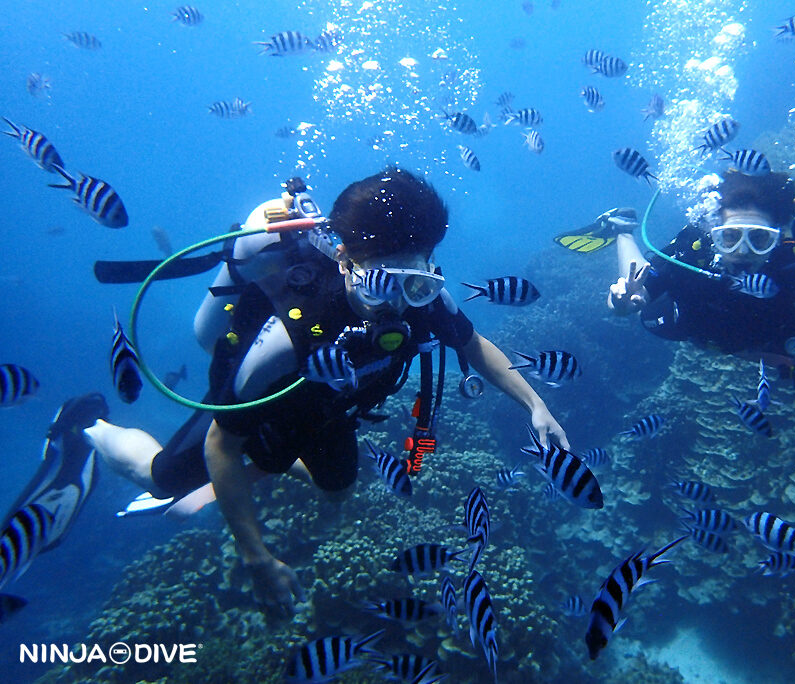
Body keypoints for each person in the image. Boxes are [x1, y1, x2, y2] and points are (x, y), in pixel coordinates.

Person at [85, 168, 569, 615]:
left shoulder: (427, 297)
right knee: (161, 479)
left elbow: (473, 345)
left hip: (331, 408)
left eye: (415, 286)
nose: (398, 307)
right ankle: (90, 426)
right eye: (381, 286)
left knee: (337, 488)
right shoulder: (286, 337)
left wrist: (537, 404)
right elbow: (221, 444)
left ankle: (267, 468)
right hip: (271, 402)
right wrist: (256, 556)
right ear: (343, 259)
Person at [606, 170, 795, 389]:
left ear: (779, 235)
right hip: (691, 326)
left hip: (767, 332)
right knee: (641, 299)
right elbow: (641, 286)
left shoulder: (793, 255)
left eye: (759, 238)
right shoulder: (695, 251)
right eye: (729, 237)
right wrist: (622, 301)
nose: (743, 250)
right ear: (713, 233)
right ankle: (622, 227)